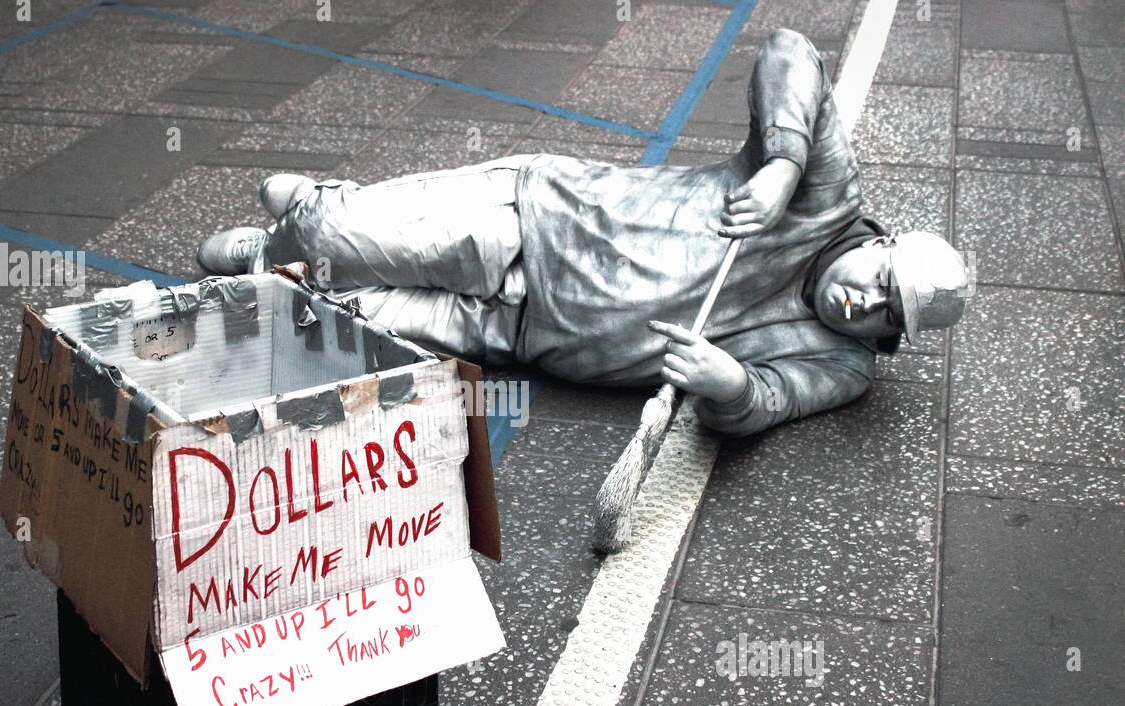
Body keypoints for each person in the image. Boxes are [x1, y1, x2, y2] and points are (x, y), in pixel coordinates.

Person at [195, 28, 969, 437]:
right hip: (528, 220)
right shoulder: (827, 196)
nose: (867, 303)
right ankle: (300, 226)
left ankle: (305, 237)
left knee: (330, 323)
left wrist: (726, 384)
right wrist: (783, 167)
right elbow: (792, 51)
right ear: (881, 241)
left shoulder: (845, 365)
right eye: (882, 281)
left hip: (516, 332)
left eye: (887, 315)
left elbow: (766, 401)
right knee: (330, 236)